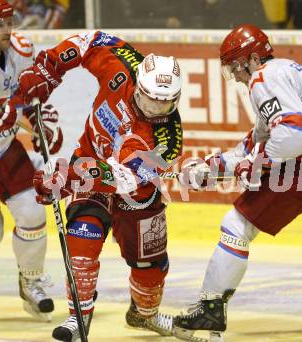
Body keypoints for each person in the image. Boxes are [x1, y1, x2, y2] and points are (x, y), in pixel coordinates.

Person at [171, 23, 302, 340]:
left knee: (237, 225)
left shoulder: (263, 77)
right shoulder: (286, 72)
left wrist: (258, 165)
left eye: (235, 67)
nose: (235, 76)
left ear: (250, 59)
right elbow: (256, 143)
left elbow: (292, 136)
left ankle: (210, 309)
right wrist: (207, 169)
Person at [17, 29, 183, 341]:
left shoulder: (167, 138)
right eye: (150, 100)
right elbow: (90, 40)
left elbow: (125, 177)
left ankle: (145, 314)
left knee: (149, 267)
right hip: (88, 162)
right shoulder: (123, 64)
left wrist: (70, 178)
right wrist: (50, 67)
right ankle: (77, 318)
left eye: (165, 104)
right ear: (138, 84)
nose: (155, 110)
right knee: (83, 239)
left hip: (136, 195)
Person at [0, 0, 62, 322]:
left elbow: (29, 98)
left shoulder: (21, 49)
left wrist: (42, 122)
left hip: (3, 151)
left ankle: (31, 280)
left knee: (33, 212)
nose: (7, 29)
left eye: (9, 21)